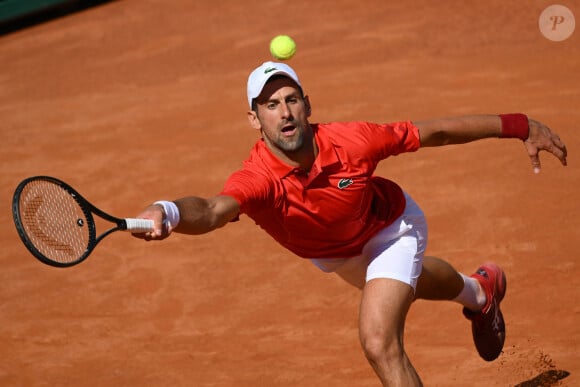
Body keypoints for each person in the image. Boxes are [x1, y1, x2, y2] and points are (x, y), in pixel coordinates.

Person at [132, 61, 567, 386]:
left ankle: (474, 292)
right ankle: (479, 290)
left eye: (291, 100)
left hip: (391, 228)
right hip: (336, 254)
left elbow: (434, 132)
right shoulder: (257, 179)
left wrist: (519, 125)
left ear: (307, 106)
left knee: (379, 340)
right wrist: (166, 211)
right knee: (409, 285)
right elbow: (209, 211)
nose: (284, 112)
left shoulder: (350, 141)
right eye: (270, 104)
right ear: (254, 119)